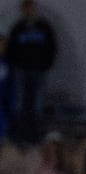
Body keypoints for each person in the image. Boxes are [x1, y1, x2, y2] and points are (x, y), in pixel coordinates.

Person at [4, 0, 51, 145]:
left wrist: (45, 64)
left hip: (38, 69)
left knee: (37, 102)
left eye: (31, 8)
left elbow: (51, 46)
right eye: (26, 8)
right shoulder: (18, 28)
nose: (29, 11)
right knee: (19, 101)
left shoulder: (43, 26)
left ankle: (35, 133)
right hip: (21, 69)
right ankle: (19, 132)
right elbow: (11, 48)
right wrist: (15, 65)